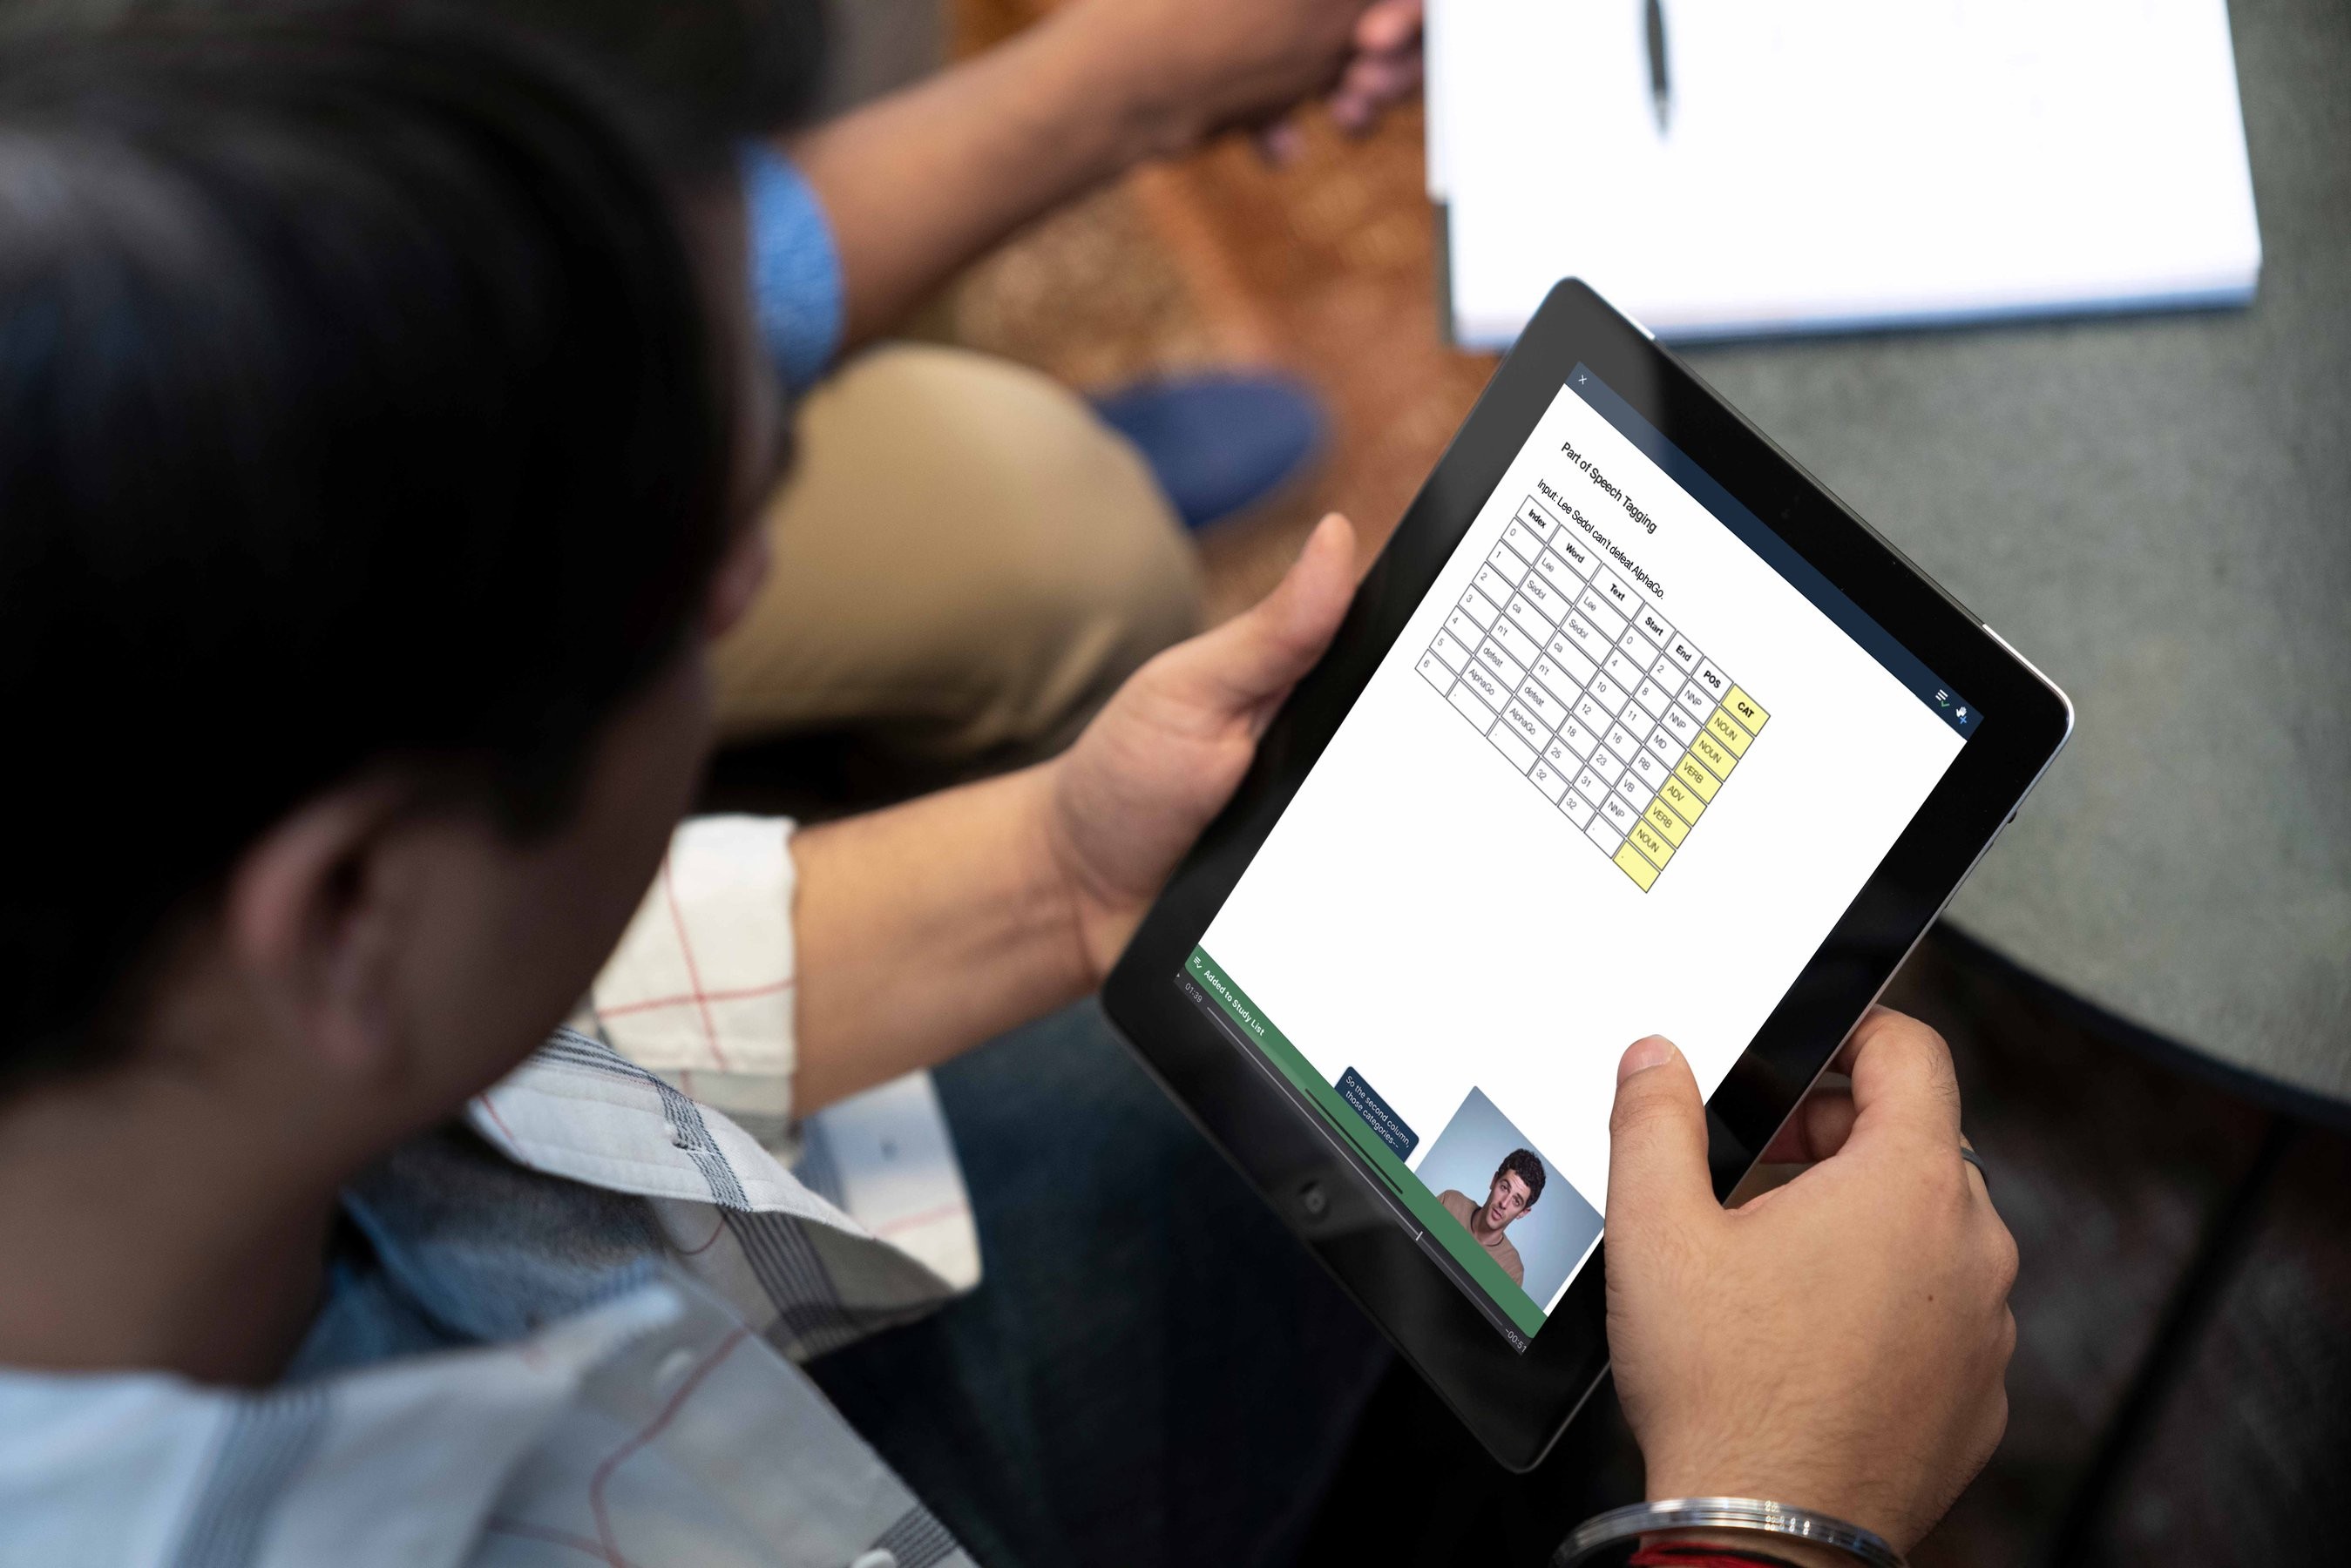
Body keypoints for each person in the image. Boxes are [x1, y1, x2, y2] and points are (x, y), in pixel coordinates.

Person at [0, 17, 2017, 1568]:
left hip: (670, 1315)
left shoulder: (162, 981)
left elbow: (525, 1012)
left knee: (1396, 1253)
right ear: (355, 911)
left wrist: (1058, 874)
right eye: (676, 610)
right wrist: (1772, 1510)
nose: (751, 597)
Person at [1439, 1147, 1545, 1288]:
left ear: (1522, 1212)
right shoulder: (1450, 1202)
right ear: (1494, 1181)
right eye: (1504, 1187)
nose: (1504, 1203)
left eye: (1516, 1201)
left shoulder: (1511, 1270)